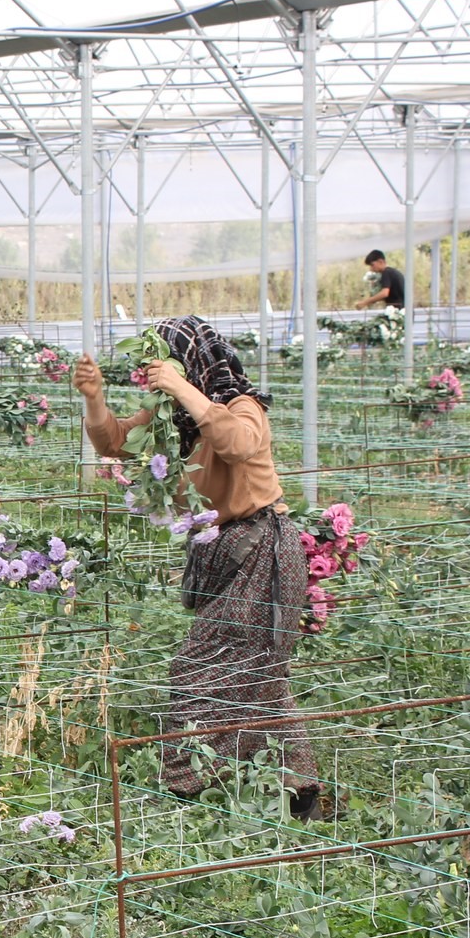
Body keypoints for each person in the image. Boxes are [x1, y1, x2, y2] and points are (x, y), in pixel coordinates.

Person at [76, 317, 321, 818]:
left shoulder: (239, 407)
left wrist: (181, 387)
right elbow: (115, 441)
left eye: (166, 361)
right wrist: (95, 398)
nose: (154, 373)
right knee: (262, 679)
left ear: (192, 364)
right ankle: (299, 795)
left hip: (264, 552)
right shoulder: (175, 420)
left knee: (198, 667)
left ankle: (189, 789)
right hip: (225, 554)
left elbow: (237, 444)